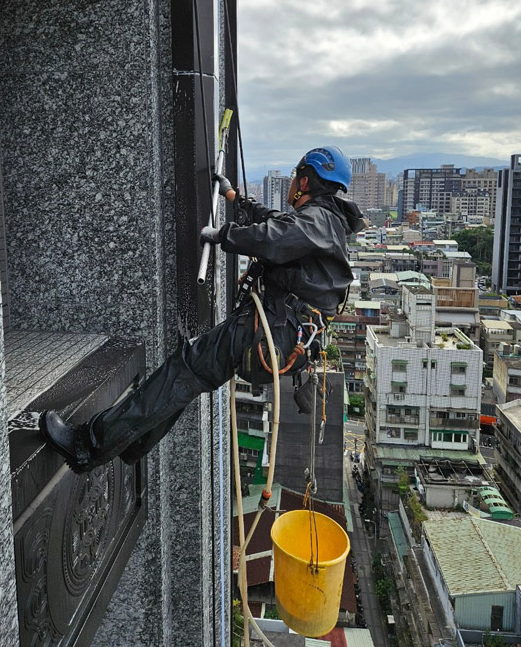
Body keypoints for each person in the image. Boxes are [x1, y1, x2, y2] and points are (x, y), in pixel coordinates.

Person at [39, 146, 364, 472]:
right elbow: (276, 221)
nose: (293, 181)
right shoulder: (324, 221)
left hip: (269, 334)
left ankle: (88, 445)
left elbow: (273, 237)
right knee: (186, 376)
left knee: (184, 370)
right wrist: (233, 197)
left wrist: (222, 235)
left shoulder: (317, 220)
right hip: (280, 336)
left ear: (305, 181)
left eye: (296, 175)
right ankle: (128, 439)